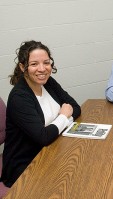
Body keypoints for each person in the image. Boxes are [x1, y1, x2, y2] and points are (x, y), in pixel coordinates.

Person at [0, 40, 81, 187]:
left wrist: (61, 121)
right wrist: (63, 116)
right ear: (23, 67)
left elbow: (75, 107)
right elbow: (43, 137)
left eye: (46, 62)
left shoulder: (48, 82)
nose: (42, 69)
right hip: (26, 166)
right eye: (34, 64)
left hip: (52, 150)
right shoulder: (19, 97)